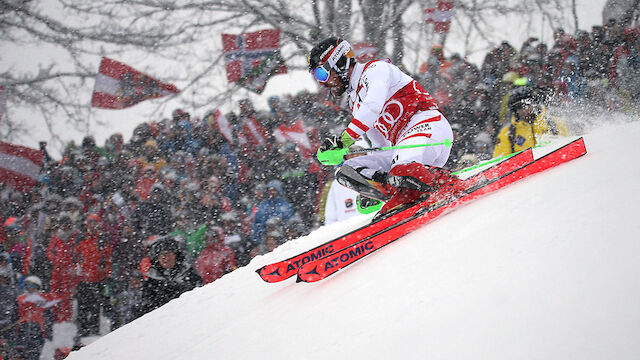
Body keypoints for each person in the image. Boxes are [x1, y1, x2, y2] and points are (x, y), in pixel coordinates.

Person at [309, 37, 466, 214]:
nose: (322, 82)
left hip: (428, 127)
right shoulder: (354, 102)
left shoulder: (375, 70)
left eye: (321, 74)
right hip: (404, 147)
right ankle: (399, 195)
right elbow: (381, 147)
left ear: (339, 63)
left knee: (401, 169)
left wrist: (343, 142)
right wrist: (370, 187)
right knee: (347, 172)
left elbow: (373, 107)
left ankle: (449, 184)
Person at [133, 236, 202, 319]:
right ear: (157, 258)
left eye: (168, 253)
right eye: (161, 255)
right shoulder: (151, 280)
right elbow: (145, 306)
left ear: (175, 255)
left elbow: (200, 295)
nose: (165, 258)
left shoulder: (189, 273)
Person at [493, 87, 571, 157]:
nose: (523, 110)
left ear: (533, 103)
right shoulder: (508, 133)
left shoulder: (554, 123)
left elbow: (569, 148)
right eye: (518, 107)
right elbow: (500, 162)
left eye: (525, 105)